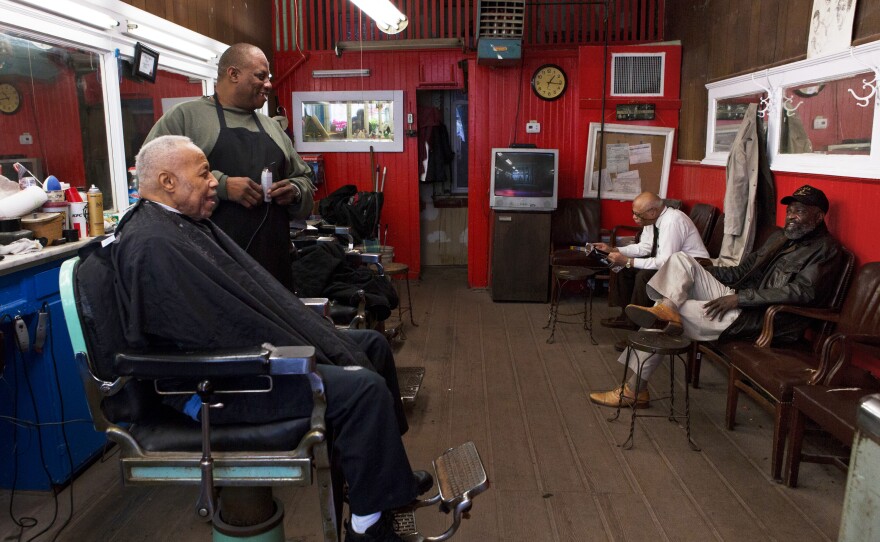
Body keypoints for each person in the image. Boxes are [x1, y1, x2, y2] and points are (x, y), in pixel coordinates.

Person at [80, 136, 420, 541]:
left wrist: (287, 328)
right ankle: (369, 525)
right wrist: (279, 342)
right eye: (204, 173)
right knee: (361, 391)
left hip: (233, 366)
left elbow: (230, 310)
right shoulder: (152, 243)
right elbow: (197, 332)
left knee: (373, 346)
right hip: (214, 386)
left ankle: (386, 477)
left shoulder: (176, 225)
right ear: (168, 181)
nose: (213, 182)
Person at [590, 185, 843, 408]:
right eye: (790, 210)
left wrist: (740, 299)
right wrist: (704, 270)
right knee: (682, 259)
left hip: (759, 317)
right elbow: (742, 271)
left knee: (665, 320)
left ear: (819, 217)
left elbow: (801, 292)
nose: (792, 216)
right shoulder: (780, 238)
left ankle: (633, 390)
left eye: (800, 211)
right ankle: (665, 308)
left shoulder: (826, 250)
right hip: (738, 298)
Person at [144, 43, 313, 291]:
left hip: (273, 267)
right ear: (233, 74)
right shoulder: (186, 118)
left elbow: (305, 180)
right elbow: (150, 176)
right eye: (260, 76)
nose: (268, 84)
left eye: (269, 77)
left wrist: (295, 191)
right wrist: (222, 186)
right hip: (210, 269)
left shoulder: (273, 128)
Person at [595, 192, 709, 349]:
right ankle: (627, 316)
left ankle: (638, 332)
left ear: (652, 212)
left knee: (644, 276)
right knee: (623, 269)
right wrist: (614, 249)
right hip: (671, 266)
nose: (634, 218)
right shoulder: (651, 221)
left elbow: (664, 262)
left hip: (690, 270)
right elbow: (645, 247)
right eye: (633, 213)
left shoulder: (672, 222)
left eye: (637, 214)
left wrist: (628, 261)